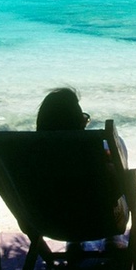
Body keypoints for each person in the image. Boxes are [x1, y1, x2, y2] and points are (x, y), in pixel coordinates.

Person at [36, 87, 128, 252]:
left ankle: (74, 241)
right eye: (83, 118)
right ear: (79, 122)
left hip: (50, 223)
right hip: (103, 223)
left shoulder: (31, 154)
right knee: (118, 149)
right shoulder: (97, 149)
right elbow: (118, 187)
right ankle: (112, 238)